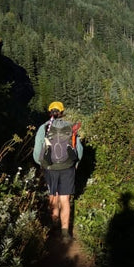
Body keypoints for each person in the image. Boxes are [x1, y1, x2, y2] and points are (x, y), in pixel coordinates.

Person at [33, 101, 83, 242]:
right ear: (62, 112)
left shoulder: (44, 128)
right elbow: (78, 149)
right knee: (64, 199)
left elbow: (37, 150)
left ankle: (53, 226)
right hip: (67, 168)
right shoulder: (70, 126)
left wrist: (42, 163)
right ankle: (65, 233)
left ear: (50, 112)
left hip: (50, 168)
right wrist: (75, 164)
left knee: (53, 197)